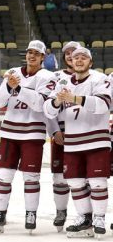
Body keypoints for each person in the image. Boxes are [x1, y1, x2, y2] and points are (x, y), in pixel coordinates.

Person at [0, 40, 55, 232]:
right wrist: (8, 87)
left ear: (43, 57)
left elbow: (40, 104)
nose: (31, 56)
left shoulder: (48, 77)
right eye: (29, 52)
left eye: (36, 53)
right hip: (9, 131)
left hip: (33, 132)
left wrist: (18, 89)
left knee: (31, 177)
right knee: (3, 175)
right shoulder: (13, 72)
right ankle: (0, 213)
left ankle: (31, 213)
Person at [43, 47, 111, 238]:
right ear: (70, 62)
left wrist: (74, 98)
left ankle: (99, 218)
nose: (79, 60)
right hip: (72, 141)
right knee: (74, 181)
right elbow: (47, 110)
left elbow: (103, 104)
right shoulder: (62, 82)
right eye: (75, 58)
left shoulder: (99, 79)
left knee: (97, 181)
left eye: (83, 57)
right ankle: (84, 217)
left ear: (90, 62)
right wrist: (57, 101)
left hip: (96, 139)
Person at [47, 41, 81, 231]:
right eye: (67, 53)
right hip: (60, 132)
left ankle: (84, 214)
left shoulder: (92, 77)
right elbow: (47, 108)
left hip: (83, 131)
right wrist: (53, 131)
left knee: (82, 177)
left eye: (74, 52)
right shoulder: (56, 77)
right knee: (59, 178)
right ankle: (61, 211)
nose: (70, 56)